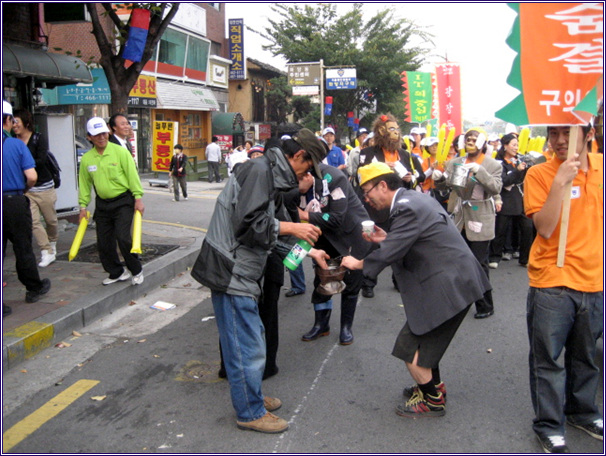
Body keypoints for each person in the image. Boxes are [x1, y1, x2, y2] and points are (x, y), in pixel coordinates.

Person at [191, 129, 329, 434]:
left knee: (251, 340)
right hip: (231, 271)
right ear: (297, 157)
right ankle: (249, 412)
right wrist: (293, 227)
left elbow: (268, 238)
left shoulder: (267, 175)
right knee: (246, 346)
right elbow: (251, 226)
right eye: (308, 167)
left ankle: (251, 397)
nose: (307, 174)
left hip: (242, 270)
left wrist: (310, 253)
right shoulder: (258, 171)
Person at [341, 162, 491, 417]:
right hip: (454, 280)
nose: (366, 199)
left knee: (409, 348)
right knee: (425, 343)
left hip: (449, 286)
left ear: (383, 186)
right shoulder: (413, 199)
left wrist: (357, 263)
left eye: (367, 192)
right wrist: (386, 238)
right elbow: (414, 237)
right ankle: (430, 387)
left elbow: (391, 252)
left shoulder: (406, 208)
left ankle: (432, 399)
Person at [524, 124, 603, 454]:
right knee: (549, 361)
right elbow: (544, 228)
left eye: (566, 133)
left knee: (587, 357)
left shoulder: (601, 168)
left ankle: (583, 412)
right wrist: (560, 182)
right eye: (553, 133)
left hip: (594, 280)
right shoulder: (539, 174)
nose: (558, 141)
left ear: (587, 133)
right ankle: (549, 424)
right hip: (552, 283)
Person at [298, 156, 371, 345]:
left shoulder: (333, 177)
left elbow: (337, 218)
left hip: (350, 234)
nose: (295, 187)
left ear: (308, 175)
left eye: (298, 180)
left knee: (351, 280)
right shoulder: (291, 186)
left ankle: (346, 327)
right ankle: (321, 325)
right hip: (322, 235)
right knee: (323, 278)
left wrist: (305, 214)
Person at [433, 127, 502, 319]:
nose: (470, 142)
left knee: (479, 264)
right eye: (468, 139)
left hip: (480, 217)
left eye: (474, 139)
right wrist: (438, 179)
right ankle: (456, 303)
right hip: (457, 217)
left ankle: (485, 305)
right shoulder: (455, 162)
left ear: (482, 143)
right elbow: (446, 185)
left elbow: (496, 187)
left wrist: (480, 172)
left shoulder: (492, 165)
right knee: (454, 261)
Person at [358, 113, 425, 298]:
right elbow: (360, 177)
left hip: (400, 207)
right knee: (372, 244)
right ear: (381, 131)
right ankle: (368, 281)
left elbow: (421, 176)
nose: (395, 133)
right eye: (391, 129)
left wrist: (412, 178)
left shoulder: (405, 155)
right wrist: (382, 167)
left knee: (401, 244)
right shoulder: (368, 153)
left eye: (397, 129)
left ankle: (400, 280)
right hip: (376, 207)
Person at [78, 117, 145, 286]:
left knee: (123, 238)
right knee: (104, 241)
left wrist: (138, 198)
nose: (101, 137)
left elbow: (132, 176)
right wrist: (83, 207)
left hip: (123, 201)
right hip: (103, 204)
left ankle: (136, 269)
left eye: (104, 133)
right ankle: (116, 272)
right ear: (89, 137)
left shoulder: (120, 152)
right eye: (96, 135)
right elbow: (85, 185)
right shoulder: (87, 158)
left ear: (108, 132)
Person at [2, 100, 51, 315]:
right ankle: (33, 288)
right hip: (13, 201)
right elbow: (32, 176)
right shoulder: (16, 145)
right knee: (22, 247)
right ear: (9, 120)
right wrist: (23, 188)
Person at [12, 109, 59, 268]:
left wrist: (24, 164)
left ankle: (52, 243)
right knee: (33, 221)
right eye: (12, 121)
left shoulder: (38, 138)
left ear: (26, 122)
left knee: (51, 220)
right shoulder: (13, 140)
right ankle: (46, 251)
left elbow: (41, 159)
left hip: (44, 186)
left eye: (16, 121)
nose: (14, 125)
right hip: (27, 189)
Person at [488, 134, 533, 269]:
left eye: (517, 145)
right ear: (505, 146)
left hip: (520, 197)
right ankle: (494, 256)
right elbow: (502, 182)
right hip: (505, 198)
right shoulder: (498, 162)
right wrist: (516, 171)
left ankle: (525, 258)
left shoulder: (519, 159)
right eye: (513, 144)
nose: (516, 147)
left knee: (528, 227)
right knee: (500, 228)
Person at [420, 136, 449, 211]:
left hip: (445, 194)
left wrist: (447, 168)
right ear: (427, 148)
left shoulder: (447, 160)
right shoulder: (426, 161)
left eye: (436, 145)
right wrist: (431, 169)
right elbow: (422, 177)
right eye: (431, 146)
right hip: (431, 195)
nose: (434, 147)